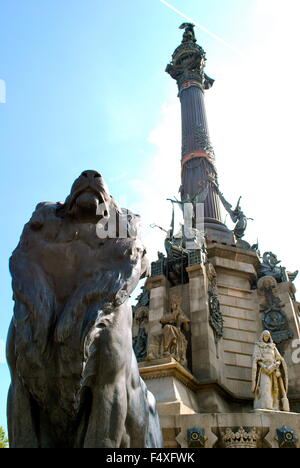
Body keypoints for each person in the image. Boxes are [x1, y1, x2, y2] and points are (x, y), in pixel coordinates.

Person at [251, 330, 289, 412]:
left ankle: (275, 406)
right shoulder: (258, 346)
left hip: (274, 369)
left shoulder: (273, 346)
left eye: (268, 336)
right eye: (265, 335)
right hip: (264, 369)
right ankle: (265, 405)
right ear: (262, 336)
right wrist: (264, 366)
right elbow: (256, 358)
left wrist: (277, 364)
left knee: (275, 389)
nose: (266, 337)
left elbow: (279, 358)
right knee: (265, 386)